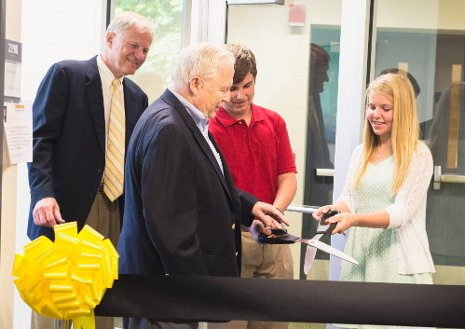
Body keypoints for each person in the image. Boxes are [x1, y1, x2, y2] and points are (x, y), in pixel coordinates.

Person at [117, 42, 288, 329]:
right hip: (167, 294)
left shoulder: (184, 119)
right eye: (222, 89)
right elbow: (169, 227)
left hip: (170, 293)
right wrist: (203, 291)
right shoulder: (170, 128)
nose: (227, 98)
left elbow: (210, 184)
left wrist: (251, 207)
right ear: (195, 83)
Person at [27, 12, 154, 329]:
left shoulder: (138, 97)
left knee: (103, 306)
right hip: (62, 211)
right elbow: (40, 141)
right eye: (134, 46)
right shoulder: (66, 75)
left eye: (146, 51)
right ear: (111, 39)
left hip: (115, 210)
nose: (139, 56)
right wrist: (42, 194)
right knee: (54, 306)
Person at [312, 73, 435, 301]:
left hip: (398, 263)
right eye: (372, 107)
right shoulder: (362, 152)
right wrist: (335, 210)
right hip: (360, 258)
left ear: (403, 112)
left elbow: (401, 213)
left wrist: (355, 219)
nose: (375, 115)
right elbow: (349, 198)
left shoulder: (418, 155)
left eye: (385, 108)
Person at [208, 44, 297, 329]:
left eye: (247, 86)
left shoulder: (274, 122)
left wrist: (273, 214)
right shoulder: (207, 128)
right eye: (232, 87)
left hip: (275, 237)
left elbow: (288, 176)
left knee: (275, 321)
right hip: (230, 240)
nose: (239, 95)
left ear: (255, 81)